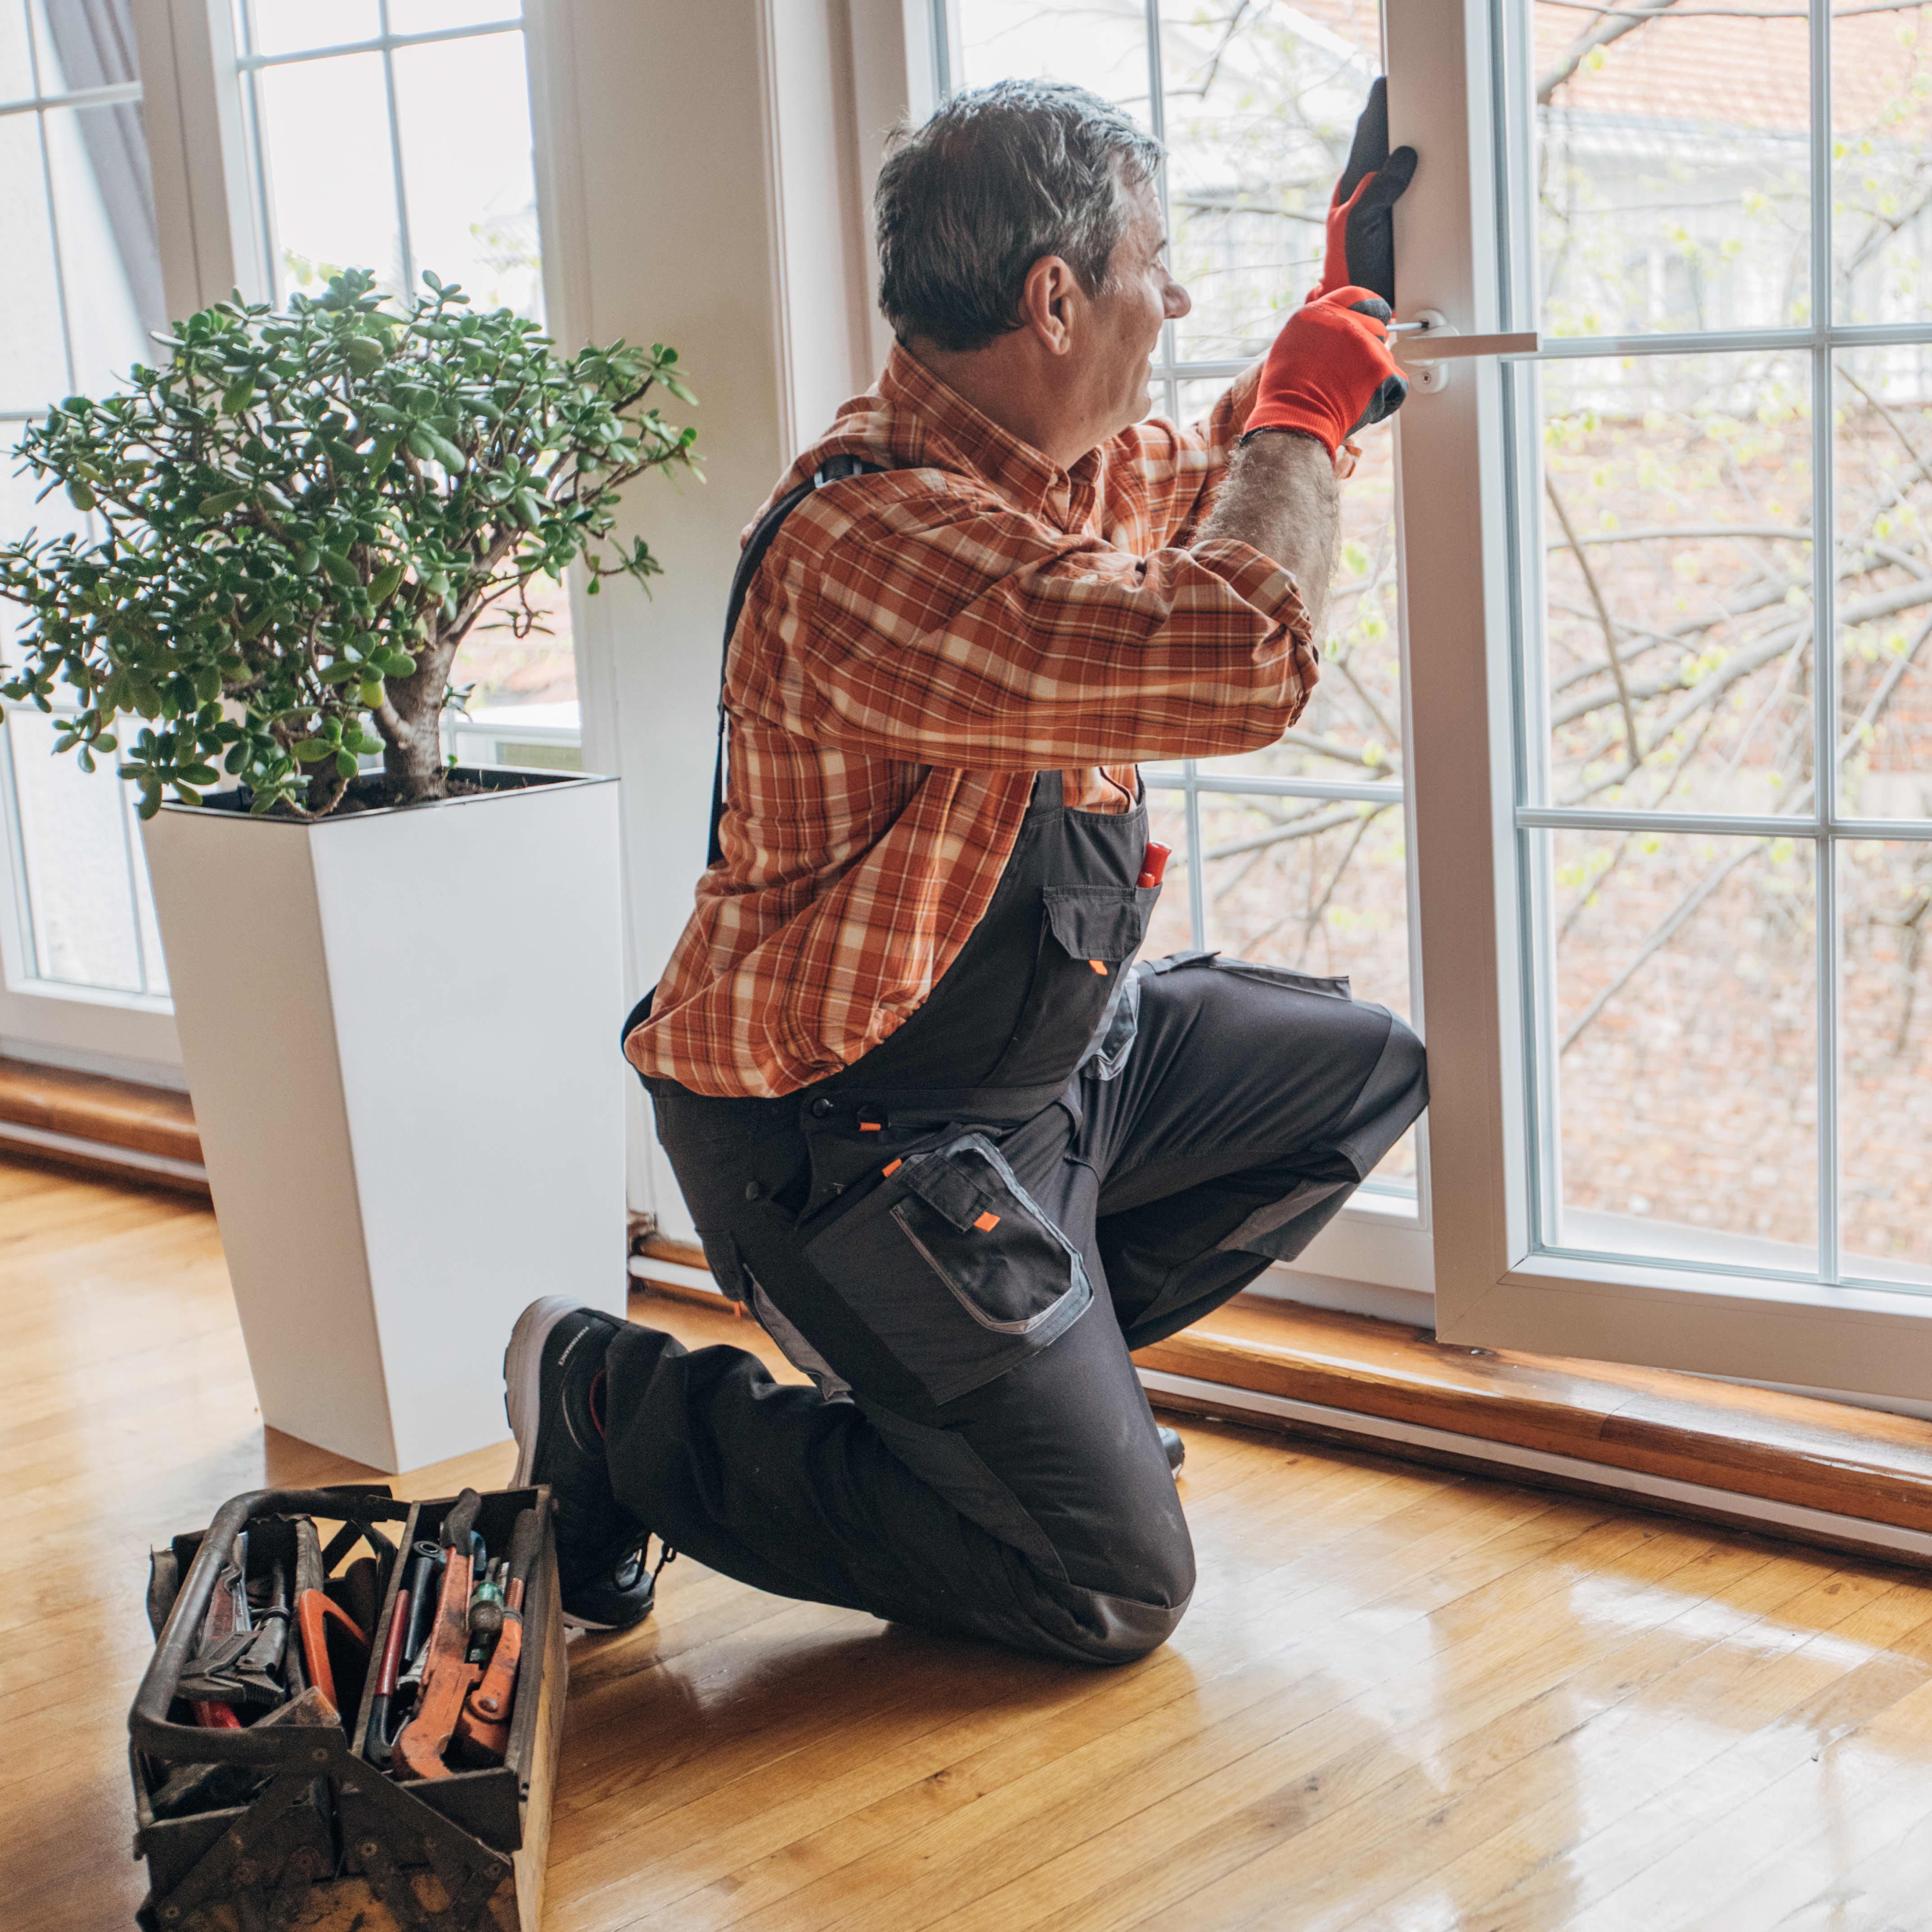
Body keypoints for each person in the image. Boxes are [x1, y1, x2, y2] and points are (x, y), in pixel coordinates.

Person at [502, 78, 1428, 1664]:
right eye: (1156, 264)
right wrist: (1304, 417)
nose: (1176, 299)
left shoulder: (1058, 472)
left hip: (1040, 1087)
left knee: (1358, 1075)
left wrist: (1339, 322)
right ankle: (617, 1402)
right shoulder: (875, 541)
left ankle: (1023, 1399)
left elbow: (1209, 484)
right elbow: (1236, 655)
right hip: (849, 1134)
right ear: (1054, 296)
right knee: (1109, 1589)